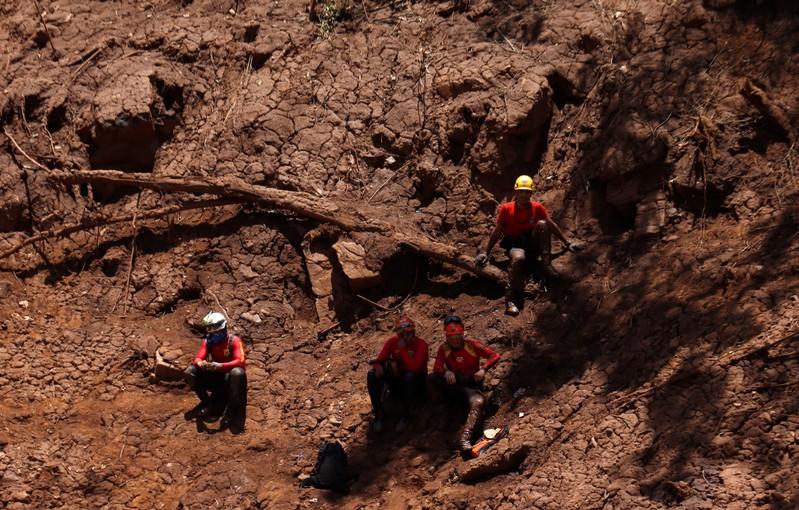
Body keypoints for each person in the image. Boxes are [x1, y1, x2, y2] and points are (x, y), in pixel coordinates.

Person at [474, 174, 584, 315]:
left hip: (532, 244)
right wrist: (486, 252)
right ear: (516, 192)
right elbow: (497, 232)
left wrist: (568, 243)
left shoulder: (537, 208)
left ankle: (546, 265)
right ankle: (510, 299)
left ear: (531, 193)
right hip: (514, 244)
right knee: (519, 258)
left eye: (527, 192)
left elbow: (552, 226)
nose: (524, 195)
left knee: (543, 224)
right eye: (521, 191)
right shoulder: (506, 209)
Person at [431, 315, 500, 455]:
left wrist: (483, 369)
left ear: (462, 334)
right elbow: (437, 367)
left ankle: (465, 438)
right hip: (454, 384)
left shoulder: (472, 345)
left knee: (478, 401)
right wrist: (446, 372)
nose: (455, 340)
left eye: (458, 336)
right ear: (446, 337)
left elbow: (495, 355)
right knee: (432, 379)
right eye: (451, 337)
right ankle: (442, 410)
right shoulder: (443, 348)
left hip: (471, 385)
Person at [184, 311, 247, 433]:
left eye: (215, 329)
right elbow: (198, 358)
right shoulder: (208, 341)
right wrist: (200, 363)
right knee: (190, 371)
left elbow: (240, 361)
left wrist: (220, 366)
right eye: (210, 329)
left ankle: (230, 411)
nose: (212, 332)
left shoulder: (234, 341)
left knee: (237, 372)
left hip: (232, 381)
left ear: (222, 328)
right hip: (218, 378)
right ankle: (209, 404)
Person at [367, 315, 429, 432]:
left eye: (409, 334)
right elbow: (380, 360)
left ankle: (407, 416)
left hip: (417, 383)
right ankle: (379, 415)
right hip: (399, 381)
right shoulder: (392, 342)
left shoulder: (421, 345)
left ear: (413, 333)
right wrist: (379, 367)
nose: (407, 337)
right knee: (372, 374)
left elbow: (414, 368)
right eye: (403, 335)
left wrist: (403, 349)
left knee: (410, 376)